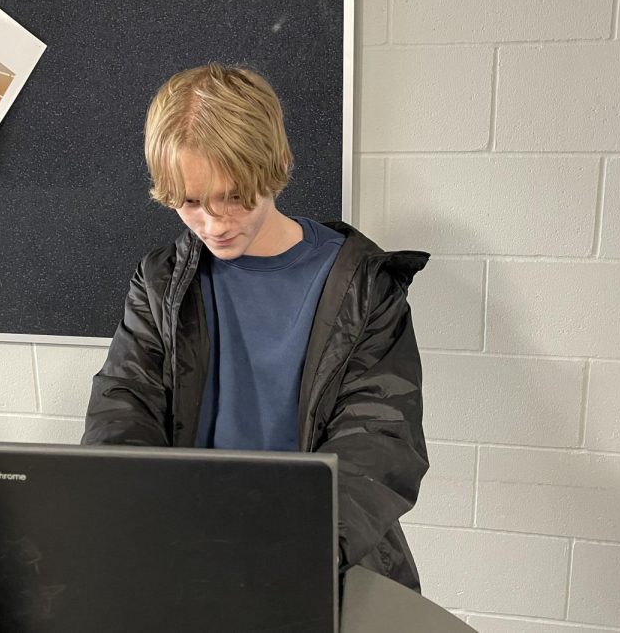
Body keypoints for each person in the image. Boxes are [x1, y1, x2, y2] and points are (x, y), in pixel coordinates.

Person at [82, 63, 430, 591]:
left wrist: (294, 552)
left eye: (233, 197)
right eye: (191, 203)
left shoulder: (365, 287)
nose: (214, 224)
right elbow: (123, 407)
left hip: (318, 561)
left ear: (276, 166)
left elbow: (379, 441)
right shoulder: (160, 282)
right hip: (189, 553)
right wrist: (136, 519)